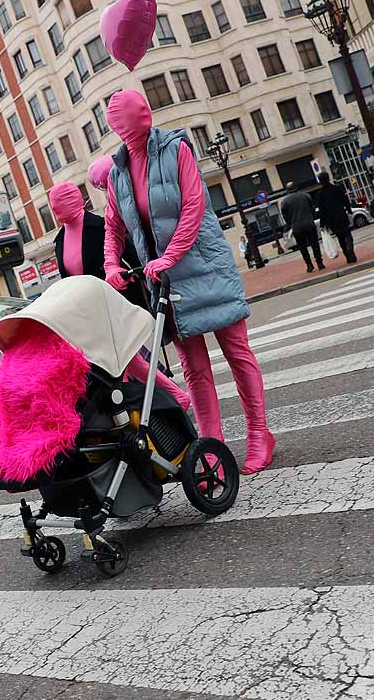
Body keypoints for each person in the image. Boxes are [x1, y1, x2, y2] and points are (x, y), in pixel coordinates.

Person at [99, 90, 275, 475]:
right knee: (194, 368)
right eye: (130, 112)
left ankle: (260, 434)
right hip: (166, 283)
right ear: (117, 125)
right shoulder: (117, 174)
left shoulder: (176, 149)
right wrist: (111, 264)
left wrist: (170, 255)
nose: (144, 113)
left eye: (143, 107)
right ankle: (212, 448)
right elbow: (113, 226)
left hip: (206, 268)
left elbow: (195, 205)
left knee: (237, 353)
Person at [49, 176, 191, 413]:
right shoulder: (60, 240)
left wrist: (142, 277)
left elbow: (133, 255)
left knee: (125, 362)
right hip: (85, 313)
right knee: (121, 363)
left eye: (58, 204)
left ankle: (167, 399)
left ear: (72, 201)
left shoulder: (100, 227)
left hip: (110, 304)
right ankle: (160, 401)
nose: (55, 210)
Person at [311, 172, 358, 264]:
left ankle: (347, 255)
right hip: (341, 215)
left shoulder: (319, 194)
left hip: (331, 220)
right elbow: (345, 200)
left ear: (320, 181)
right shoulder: (337, 188)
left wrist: (322, 224)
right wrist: (349, 210)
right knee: (348, 234)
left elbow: (321, 211)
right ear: (328, 178)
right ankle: (350, 249)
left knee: (340, 237)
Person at [281, 181, 324, 273]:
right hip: (309, 223)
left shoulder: (285, 201)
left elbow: (285, 216)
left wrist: (291, 223)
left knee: (302, 247)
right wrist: (310, 217)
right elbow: (312, 209)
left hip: (297, 227)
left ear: (287, 190)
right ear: (295, 188)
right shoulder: (305, 196)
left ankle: (309, 264)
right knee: (314, 244)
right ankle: (319, 262)